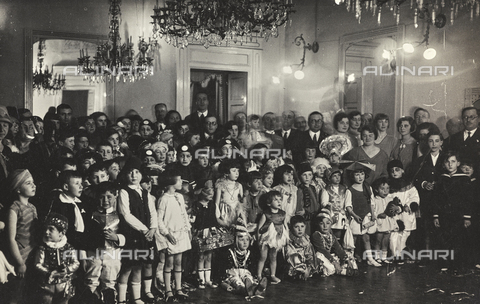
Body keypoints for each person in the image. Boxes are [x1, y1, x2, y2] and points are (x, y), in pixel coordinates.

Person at [117, 157, 157, 304]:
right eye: (130, 172)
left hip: (145, 237)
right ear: (125, 175)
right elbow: (126, 215)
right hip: (132, 235)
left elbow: (153, 212)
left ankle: (137, 297)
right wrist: (145, 229)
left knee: (139, 267)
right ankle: (121, 298)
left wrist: (153, 228)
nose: (134, 175)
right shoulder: (124, 192)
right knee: (127, 268)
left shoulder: (145, 192)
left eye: (137, 172)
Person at [80, 181, 126, 304]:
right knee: (91, 278)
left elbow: (127, 234)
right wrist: (84, 255)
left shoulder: (119, 216)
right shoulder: (90, 215)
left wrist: (117, 237)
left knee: (110, 279)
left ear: (115, 196)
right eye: (101, 197)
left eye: (109, 197)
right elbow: (84, 237)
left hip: (113, 253)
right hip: (94, 253)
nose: (105, 200)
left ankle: (109, 298)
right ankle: (91, 298)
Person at [432, 151, 474, 274]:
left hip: (458, 216)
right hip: (444, 215)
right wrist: (436, 215)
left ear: (458, 163)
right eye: (447, 162)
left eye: (453, 162)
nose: (450, 165)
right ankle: (444, 265)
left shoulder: (464, 179)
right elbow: (436, 199)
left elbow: (468, 199)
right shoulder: (441, 179)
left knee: (458, 240)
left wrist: (467, 217)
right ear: (444, 164)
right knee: (444, 239)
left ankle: (457, 266)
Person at [4, 169, 38, 304]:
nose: (34, 186)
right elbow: (11, 238)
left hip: (33, 254)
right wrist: (19, 262)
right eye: (28, 183)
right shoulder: (14, 208)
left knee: (30, 293)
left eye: (33, 182)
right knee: (16, 293)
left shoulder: (33, 207)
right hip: (20, 255)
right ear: (18, 189)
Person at [157, 170, 192, 302]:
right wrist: (166, 233)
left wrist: (188, 229)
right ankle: (168, 290)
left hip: (181, 233)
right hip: (170, 235)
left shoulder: (179, 197)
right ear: (171, 182)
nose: (181, 182)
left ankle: (178, 288)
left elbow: (184, 214)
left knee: (179, 262)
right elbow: (159, 220)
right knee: (169, 263)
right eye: (179, 180)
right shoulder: (163, 199)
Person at [33, 213, 80, 304]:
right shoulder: (43, 248)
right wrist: (49, 272)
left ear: (61, 233)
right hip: (47, 285)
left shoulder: (68, 248)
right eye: (46, 229)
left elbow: (76, 263)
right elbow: (38, 264)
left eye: (51, 229)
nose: (46, 232)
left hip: (64, 284)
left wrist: (67, 270)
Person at [344, 164, 381, 267]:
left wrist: (373, 214)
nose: (360, 177)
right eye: (357, 175)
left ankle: (370, 259)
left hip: (366, 217)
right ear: (352, 176)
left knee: (366, 238)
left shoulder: (368, 187)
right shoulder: (350, 190)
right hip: (356, 217)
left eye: (362, 174)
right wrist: (355, 216)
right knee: (353, 238)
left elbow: (372, 203)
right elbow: (348, 206)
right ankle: (350, 259)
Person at [219, 223, 268, 299]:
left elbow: (251, 266)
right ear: (236, 241)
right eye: (242, 240)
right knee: (236, 281)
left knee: (248, 278)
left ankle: (254, 287)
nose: (245, 242)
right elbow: (226, 266)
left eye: (247, 240)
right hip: (233, 272)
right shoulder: (230, 252)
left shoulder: (248, 253)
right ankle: (243, 289)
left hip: (244, 271)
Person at [387, 159, 420, 263]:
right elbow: (387, 199)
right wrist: (393, 208)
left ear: (402, 171)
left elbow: (414, 197)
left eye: (397, 170)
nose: (394, 172)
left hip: (406, 215)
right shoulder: (388, 185)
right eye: (392, 170)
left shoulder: (409, 185)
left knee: (405, 235)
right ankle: (394, 255)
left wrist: (410, 205)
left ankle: (402, 254)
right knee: (393, 235)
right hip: (395, 216)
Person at [256, 191, 289, 284]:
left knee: (273, 257)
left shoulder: (283, 213)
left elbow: (285, 225)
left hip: (277, 237)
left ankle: (273, 275)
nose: (279, 202)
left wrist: (286, 238)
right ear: (269, 203)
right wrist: (258, 239)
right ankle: (258, 275)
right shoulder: (266, 214)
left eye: (280, 200)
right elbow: (259, 227)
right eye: (276, 200)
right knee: (263, 256)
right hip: (267, 237)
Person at [311, 209, 356, 276]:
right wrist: (334, 261)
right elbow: (322, 251)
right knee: (329, 266)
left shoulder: (331, 235)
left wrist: (346, 259)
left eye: (328, 223)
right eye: (321, 223)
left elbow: (338, 248)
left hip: (328, 256)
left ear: (331, 224)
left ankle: (347, 268)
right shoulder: (316, 235)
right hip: (320, 256)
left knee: (349, 257)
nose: (325, 226)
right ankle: (342, 271)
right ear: (318, 224)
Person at [192, 187, 219, 289]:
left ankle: (208, 279)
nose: (211, 196)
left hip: (211, 231)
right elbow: (194, 220)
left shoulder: (212, 204)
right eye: (209, 194)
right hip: (201, 232)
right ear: (203, 194)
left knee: (209, 255)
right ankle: (201, 280)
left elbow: (215, 218)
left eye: (212, 194)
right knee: (201, 256)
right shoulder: (197, 205)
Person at [285, 215, 319, 280]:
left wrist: (309, 267)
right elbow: (291, 255)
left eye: (302, 226)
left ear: (305, 227)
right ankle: (300, 271)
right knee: (294, 258)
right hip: (294, 263)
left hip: (304, 262)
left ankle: (305, 271)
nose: (300, 229)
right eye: (296, 227)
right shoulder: (290, 240)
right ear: (292, 228)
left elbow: (309, 254)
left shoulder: (306, 239)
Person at [370, 177, 396, 264]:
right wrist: (378, 215)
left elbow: (393, 209)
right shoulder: (375, 199)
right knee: (378, 240)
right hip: (380, 223)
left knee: (386, 241)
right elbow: (373, 211)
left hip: (388, 223)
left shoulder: (390, 198)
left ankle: (384, 257)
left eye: (387, 188)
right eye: (382, 189)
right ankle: (377, 257)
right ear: (376, 190)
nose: (385, 191)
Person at [215, 160, 244, 228]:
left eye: (238, 171)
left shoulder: (239, 185)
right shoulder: (220, 185)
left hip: (235, 211)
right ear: (226, 173)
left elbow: (241, 201)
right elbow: (217, 202)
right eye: (234, 171)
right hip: (224, 212)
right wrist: (217, 216)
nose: (237, 173)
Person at [321, 167, 348, 240]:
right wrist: (332, 206)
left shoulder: (344, 189)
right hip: (332, 214)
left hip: (342, 214)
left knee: (343, 234)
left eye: (338, 175)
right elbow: (324, 203)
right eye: (334, 176)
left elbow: (346, 201)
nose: (337, 178)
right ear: (330, 178)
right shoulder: (326, 189)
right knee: (334, 234)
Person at [296, 162, 320, 235]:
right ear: (300, 176)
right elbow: (299, 206)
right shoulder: (300, 189)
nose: (307, 177)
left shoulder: (312, 188)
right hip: (306, 219)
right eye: (304, 175)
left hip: (315, 217)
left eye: (309, 175)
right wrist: (304, 213)